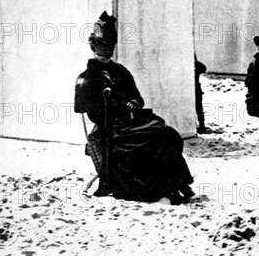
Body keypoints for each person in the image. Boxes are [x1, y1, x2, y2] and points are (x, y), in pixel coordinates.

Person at [74, 12, 194, 205]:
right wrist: (110, 105)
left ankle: (176, 182)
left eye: (108, 50)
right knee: (159, 136)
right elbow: (88, 112)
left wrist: (135, 103)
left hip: (132, 122)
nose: (105, 55)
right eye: (101, 50)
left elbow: (137, 97)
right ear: (93, 48)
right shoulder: (86, 78)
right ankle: (170, 186)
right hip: (112, 129)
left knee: (169, 134)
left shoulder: (121, 71)